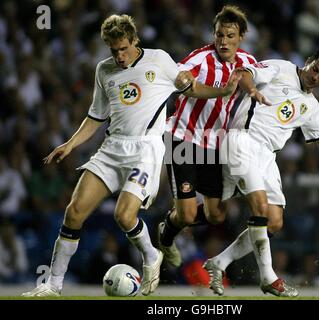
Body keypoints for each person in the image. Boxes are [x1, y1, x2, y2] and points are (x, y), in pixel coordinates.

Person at [22, 14, 240, 297]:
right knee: (73, 213)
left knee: (124, 216)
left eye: (124, 49)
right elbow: (96, 116)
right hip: (113, 148)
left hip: (145, 149)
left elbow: (191, 87)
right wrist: (70, 144)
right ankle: (53, 284)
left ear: (135, 40)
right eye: (114, 51)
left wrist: (222, 91)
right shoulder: (104, 70)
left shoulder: (159, 60)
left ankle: (151, 256)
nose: (120, 56)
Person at [203, 48, 319, 297]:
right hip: (243, 140)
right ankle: (268, 277)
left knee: (273, 221)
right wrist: (252, 89)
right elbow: (244, 74)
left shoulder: (311, 106)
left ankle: (219, 262)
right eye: (315, 69)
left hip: (267, 157)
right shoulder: (281, 68)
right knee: (257, 208)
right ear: (307, 61)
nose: (315, 77)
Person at [158, 5, 264, 269]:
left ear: (241, 36)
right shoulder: (199, 59)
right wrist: (221, 91)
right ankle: (166, 235)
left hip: (214, 145)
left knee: (217, 215)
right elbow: (182, 81)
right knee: (188, 213)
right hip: (183, 139)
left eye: (230, 36)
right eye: (219, 35)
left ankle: (170, 223)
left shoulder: (248, 63)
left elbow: (267, 76)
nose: (223, 41)